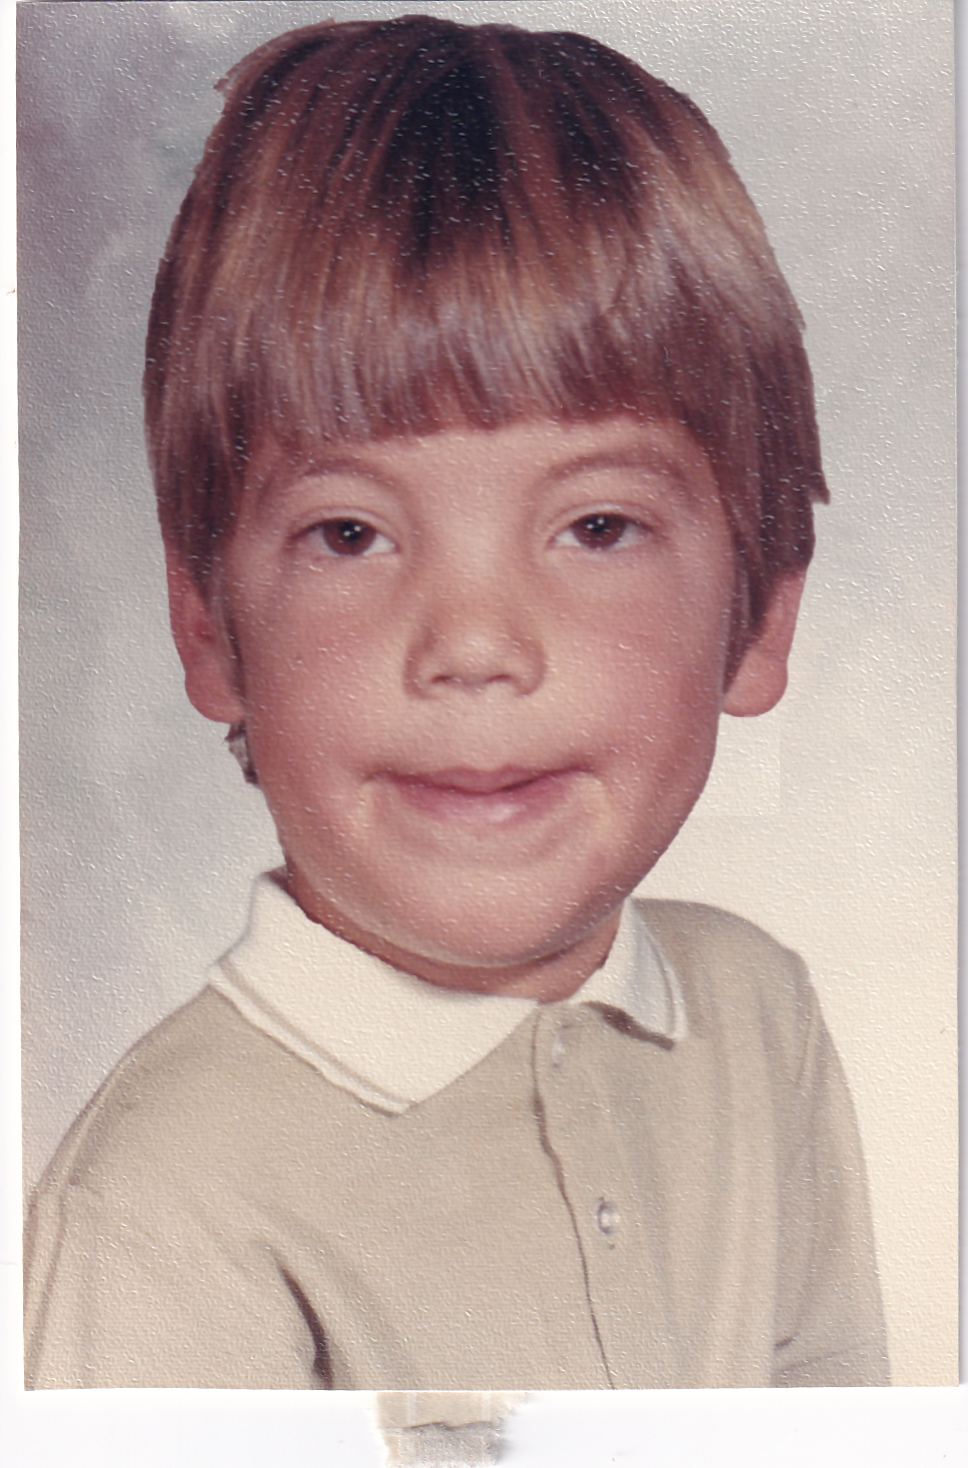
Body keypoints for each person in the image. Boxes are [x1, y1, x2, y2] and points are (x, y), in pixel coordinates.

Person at [24, 14, 888, 1390]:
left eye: (596, 526)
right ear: (209, 628)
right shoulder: (162, 1208)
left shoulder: (755, 1014)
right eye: (351, 534)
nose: (475, 646)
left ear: (762, 617)